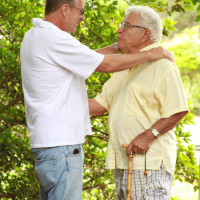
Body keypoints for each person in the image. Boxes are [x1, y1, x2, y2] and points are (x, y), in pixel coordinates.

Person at [20, 0, 174, 199]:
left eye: (126, 26)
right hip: (62, 147)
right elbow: (105, 64)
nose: (83, 17)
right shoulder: (54, 39)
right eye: (81, 11)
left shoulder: (36, 35)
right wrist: (151, 53)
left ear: (145, 33)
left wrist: (121, 47)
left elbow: (88, 58)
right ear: (65, 9)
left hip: (50, 147)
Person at [89, 6, 188, 200]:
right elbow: (100, 104)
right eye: (121, 25)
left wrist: (149, 135)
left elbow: (178, 110)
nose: (119, 30)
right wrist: (58, 104)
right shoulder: (125, 65)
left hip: (148, 165)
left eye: (126, 26)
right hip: (125, 163)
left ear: (145, 35)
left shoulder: (162, 64)